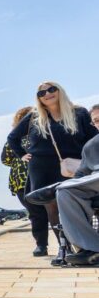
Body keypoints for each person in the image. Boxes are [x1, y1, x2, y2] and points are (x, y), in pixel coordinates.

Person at [7, 82, 97, 265]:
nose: (47, 94)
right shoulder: (33, 117)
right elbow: (12, 138)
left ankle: (86, 244)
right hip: (42, 167)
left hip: (76, 165)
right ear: (38, 98)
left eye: (51, 89)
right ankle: (64, 247)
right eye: (42, 92)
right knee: (52, 207)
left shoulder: (78, 113)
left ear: (59, 91)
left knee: (81, 201)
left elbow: (93, 137)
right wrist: (22, 155)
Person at [1, 106, 50, 256]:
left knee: (37, 213)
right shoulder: (42, 133)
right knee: (45, 213)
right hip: (38, 178)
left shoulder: (14, 139)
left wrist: (19, 161)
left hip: (24, 180)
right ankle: (56, 244)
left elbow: (5, 160)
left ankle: (42, 245)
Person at [54, 106, 99, 265]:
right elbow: (80, 175)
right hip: (94, 183)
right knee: (65, 191)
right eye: (96, 121)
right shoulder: (91, 146)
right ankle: (92, 248)